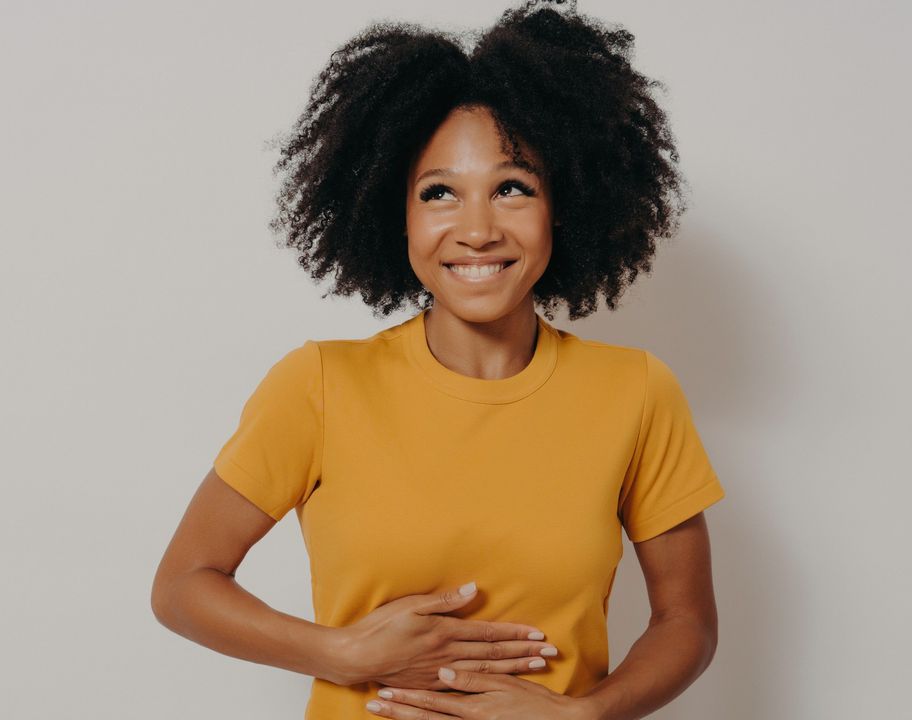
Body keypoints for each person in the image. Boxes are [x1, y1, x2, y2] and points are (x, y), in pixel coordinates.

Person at [151, 1, 725, 718]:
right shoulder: (320, 384)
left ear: (565, 206)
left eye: (512, 187)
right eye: (439, 193)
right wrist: (343, 652)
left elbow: (687, 623)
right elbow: (182, 585)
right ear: (394, 215)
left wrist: (583, 715)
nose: (478, 229)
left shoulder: (636, 391)